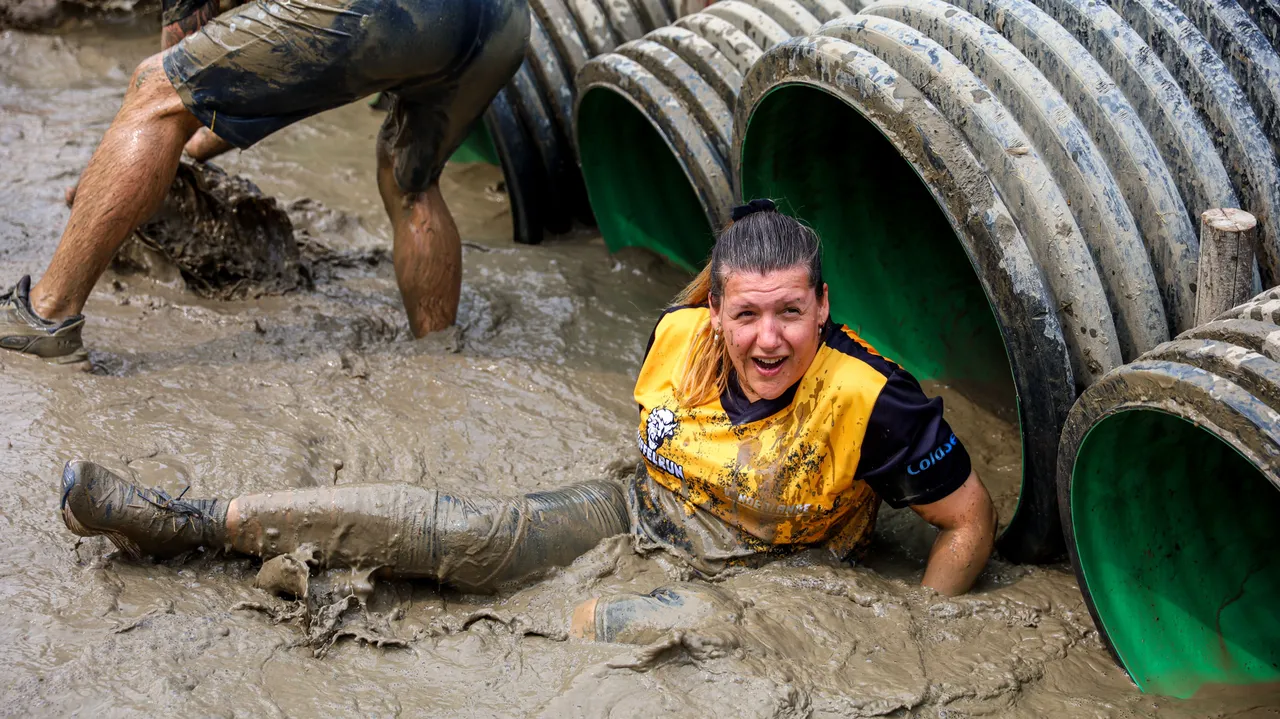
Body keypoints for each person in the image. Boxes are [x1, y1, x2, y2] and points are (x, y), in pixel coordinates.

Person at [57, 201, 997, 642]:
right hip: (647, 507)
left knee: (612, 621)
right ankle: (185, 519)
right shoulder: (678, 335)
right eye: (745, 312)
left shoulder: (878, 402)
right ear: (716, 309)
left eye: (791, 312)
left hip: (776, 568)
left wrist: (918, 628)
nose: (767, 338)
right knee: (470, 531)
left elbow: (969, 520)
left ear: (825, 308)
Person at [0, 0, 530, 367]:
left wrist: (127, 160)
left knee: (154, 86)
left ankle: (45, 314)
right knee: (411, 179)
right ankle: (437, 359)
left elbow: (182, 85)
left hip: (386, 11)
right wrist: (135, 170)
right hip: (502, 21)